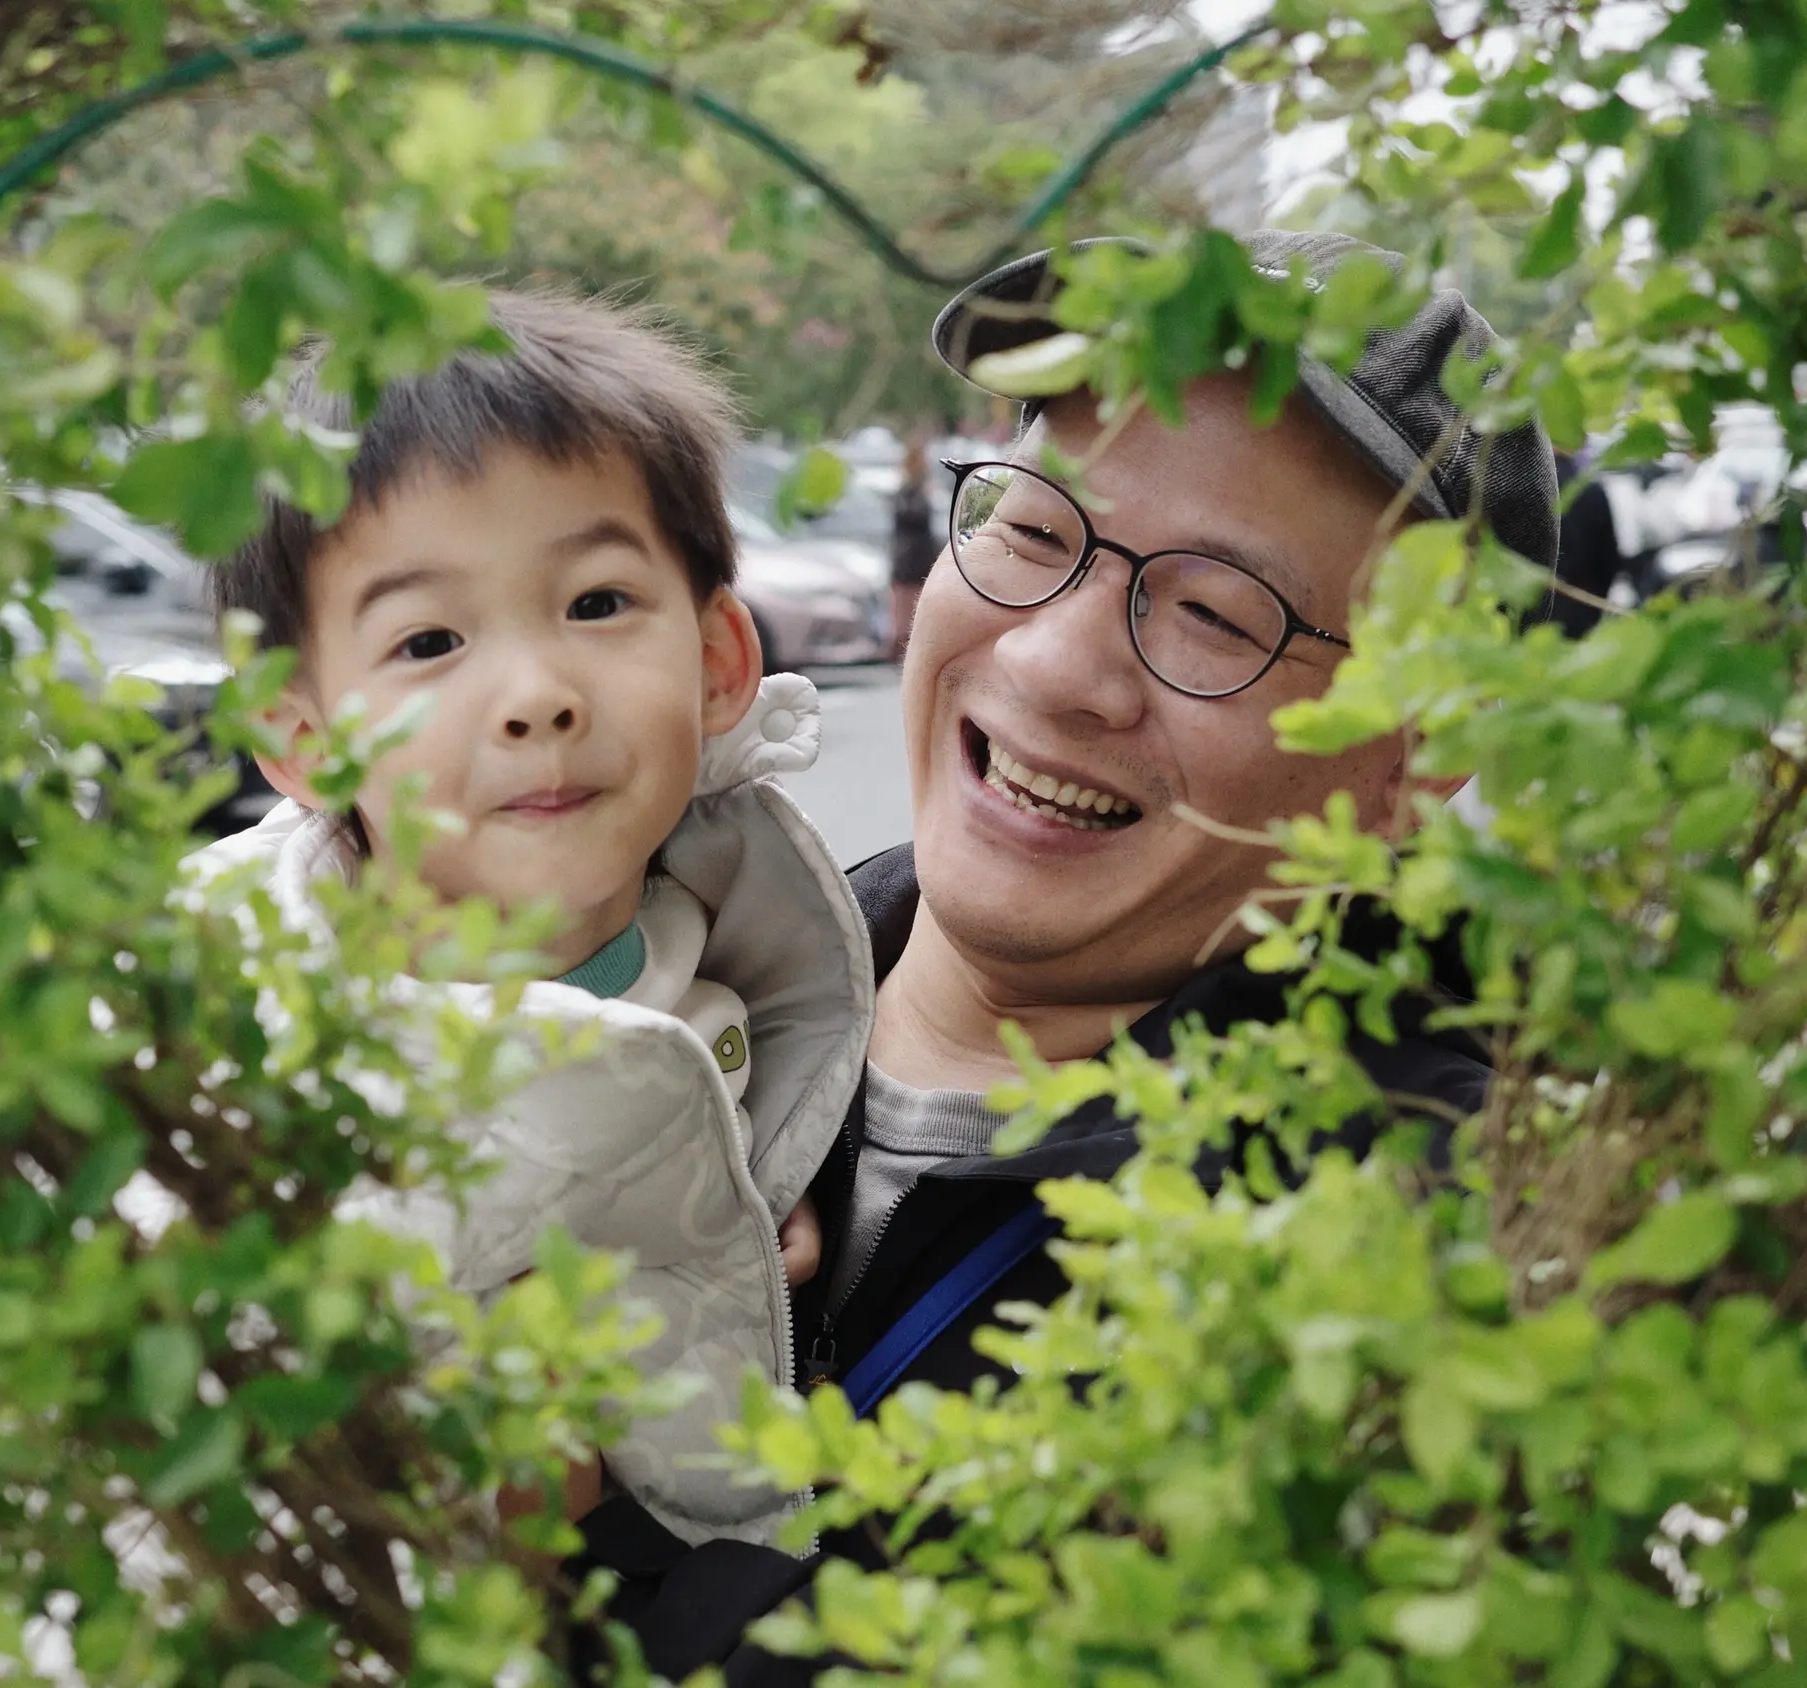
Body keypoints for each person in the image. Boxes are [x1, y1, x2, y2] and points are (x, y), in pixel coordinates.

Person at [566, 230, 1561, 1681]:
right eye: (1034, 533)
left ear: (1421, 752)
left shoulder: (1415, 1281)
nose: (1049, 664)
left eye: (1216, 614)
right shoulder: (635, 994)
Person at [197, 291, 873, 1548]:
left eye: (597, 603)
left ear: (719, 660)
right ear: (303, 734)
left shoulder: (745, 947)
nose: (537, 696)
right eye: (430, 639)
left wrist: (737, 1232)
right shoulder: (236, 1023)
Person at [885, 433, 939, 661]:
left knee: (911, 614)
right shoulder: (909, 492)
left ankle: (904, 652)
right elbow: (912, 520)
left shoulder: (915, 490)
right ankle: (899, 653)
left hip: (915, 561)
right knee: (904, 615)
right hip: (909, 562)